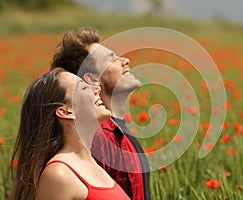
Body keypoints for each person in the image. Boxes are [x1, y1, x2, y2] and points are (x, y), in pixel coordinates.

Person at [51, 27, 151, 200]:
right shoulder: (100, 139)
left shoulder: (117, 131)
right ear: (91, 79)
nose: (125, 60)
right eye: (110, 59)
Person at [10, 68, 130, 200]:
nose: (97, 88)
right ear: (66, 112)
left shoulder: (94, 165)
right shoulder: (59, 175)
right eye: (83, 88)